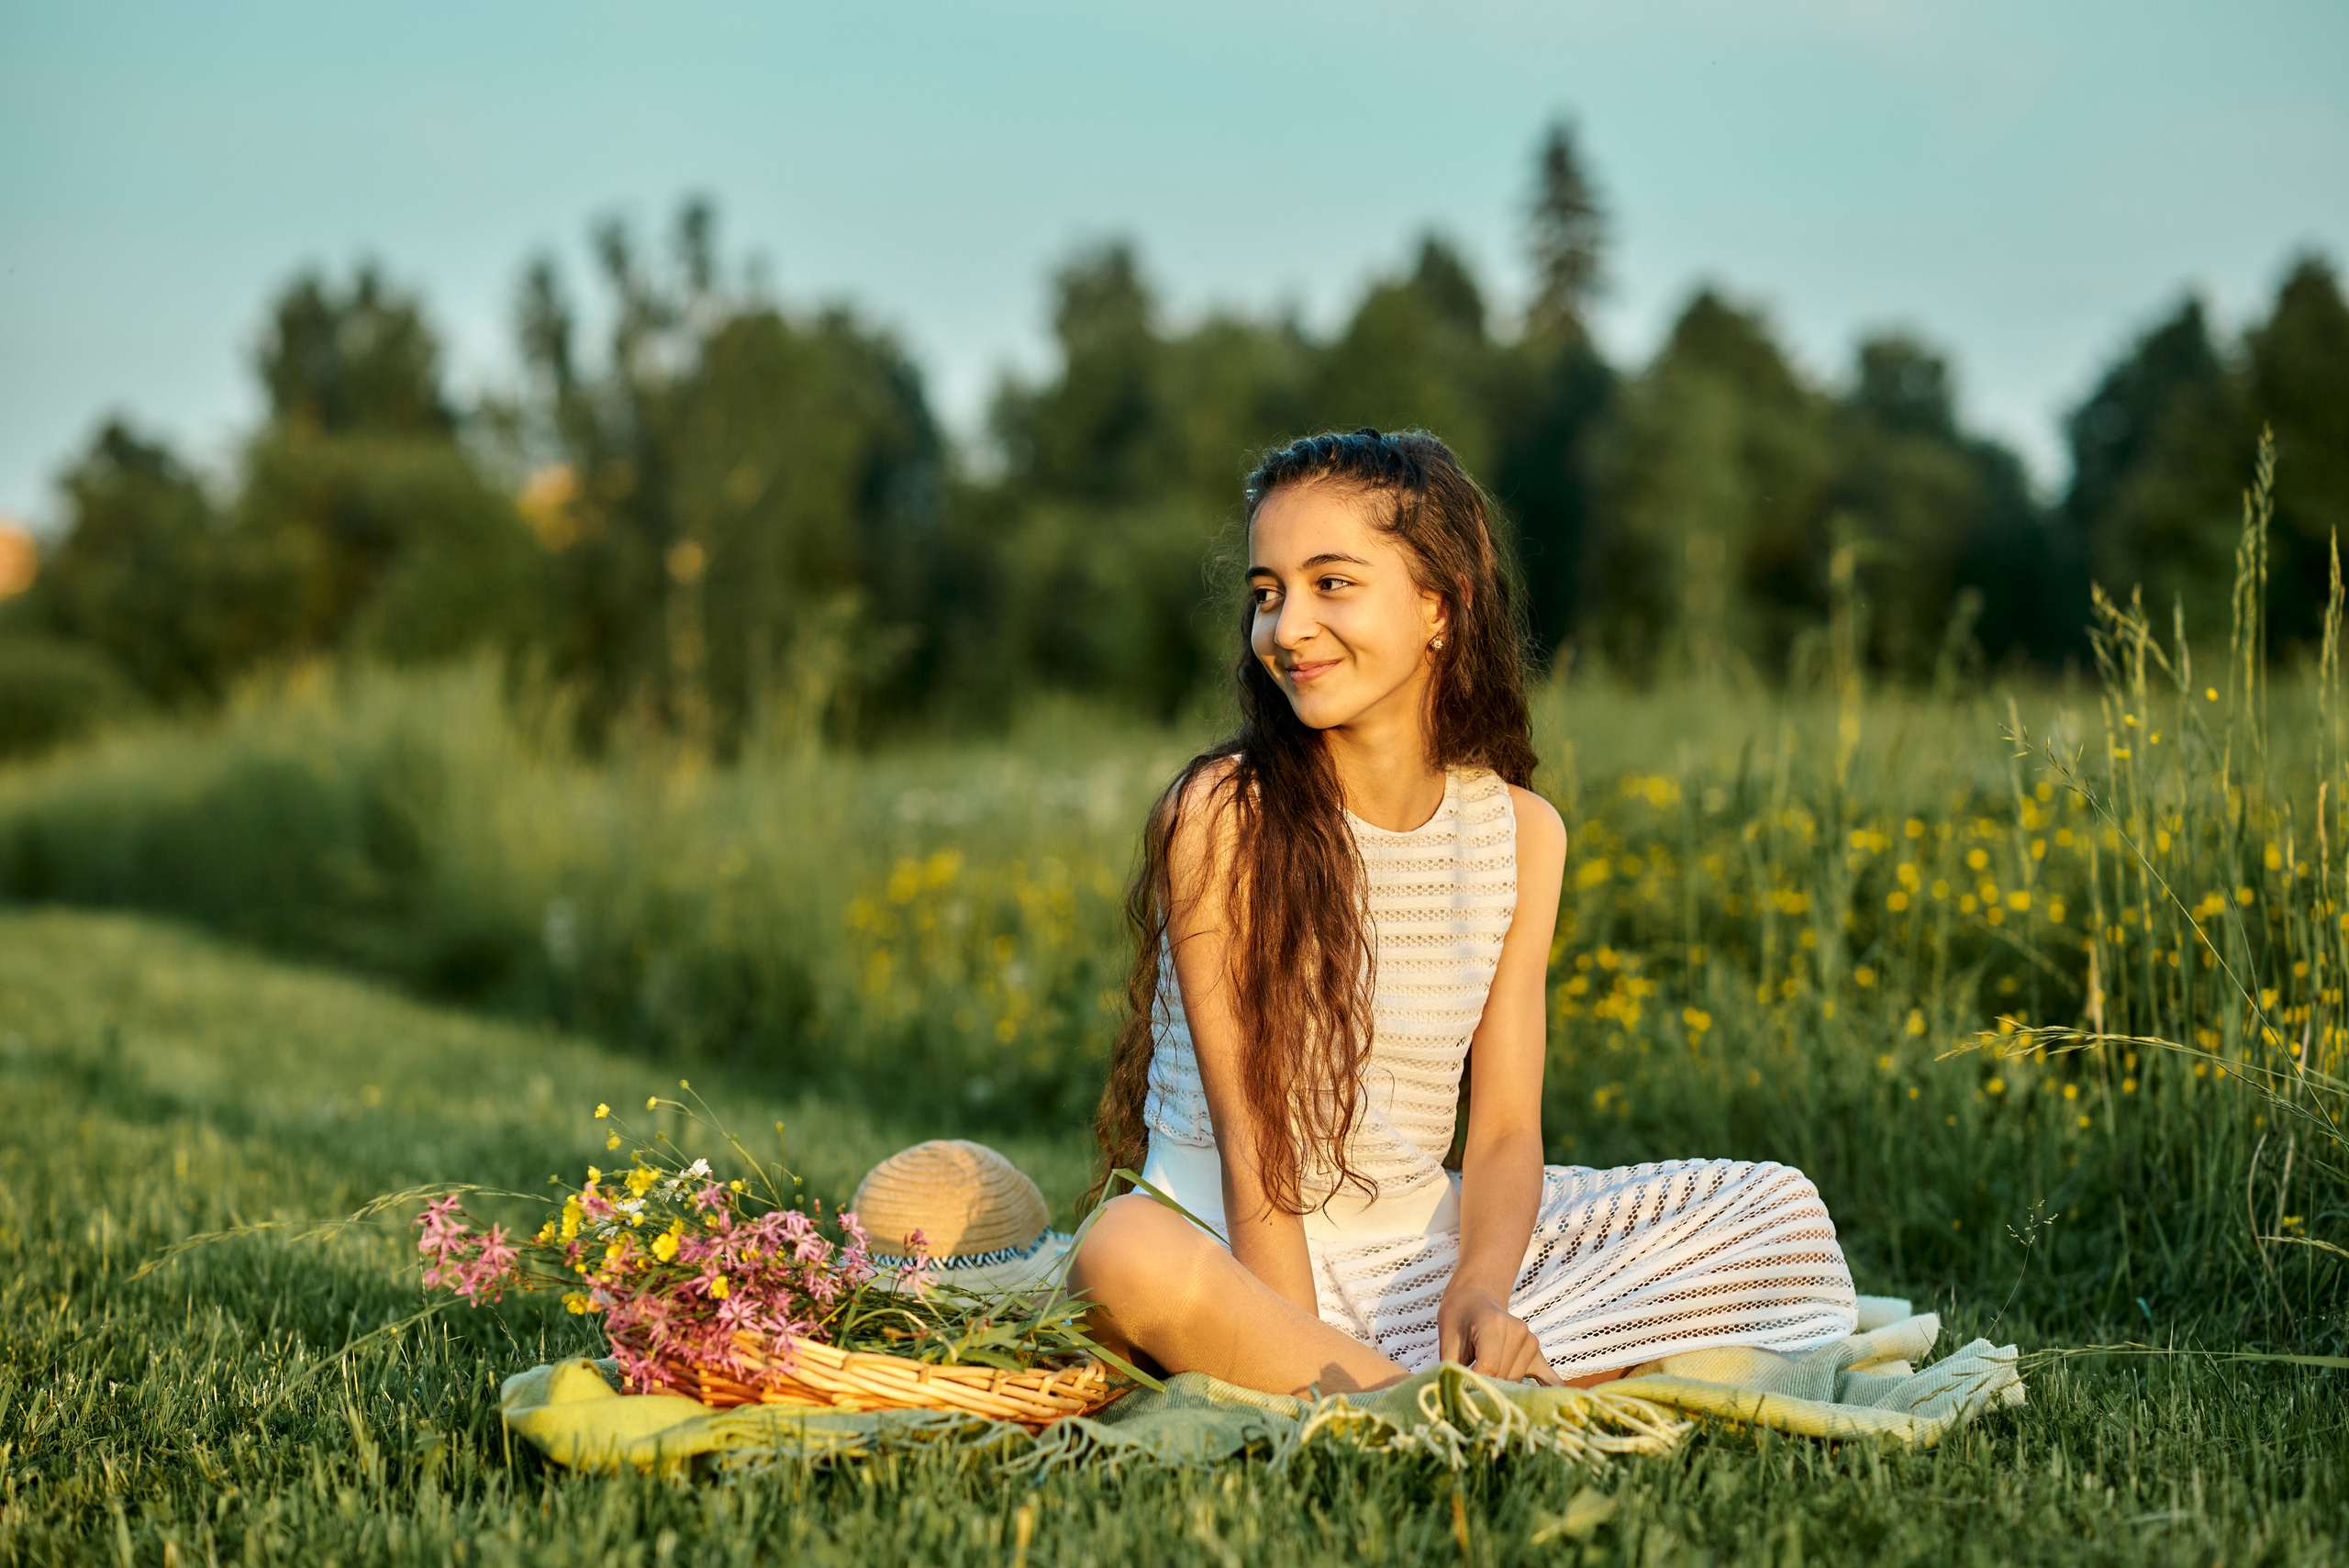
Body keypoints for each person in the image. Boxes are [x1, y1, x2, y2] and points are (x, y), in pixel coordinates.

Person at [1070, 428, 1857, 1397]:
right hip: (1239, 1251)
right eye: (1267, 593)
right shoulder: (1224, 816)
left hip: (1416, 1258)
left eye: (1331, 583)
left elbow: (1500, 1134)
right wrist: (1291, 1343)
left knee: (1777, 1215)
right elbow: (1252, 1140)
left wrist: (1482, 1288)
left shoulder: (1520, 834)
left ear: (1439, 606)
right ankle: (1424, 1400)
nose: (1287, 627)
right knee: (1120, 1249)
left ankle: (1440, 1375)